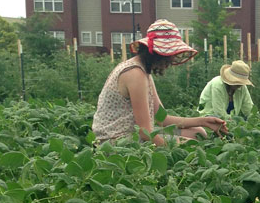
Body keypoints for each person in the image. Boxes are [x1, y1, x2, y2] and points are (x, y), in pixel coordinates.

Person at [92, 19, 227, 146]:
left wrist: (204, 121)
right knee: (190, 144)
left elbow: (162, 119)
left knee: (198, 133)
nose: (171, 61)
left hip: (133, 134)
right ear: (155, 53)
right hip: (116, 141)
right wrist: (177, 147)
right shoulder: (135, 74)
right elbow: (145, 132)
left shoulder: (144, 72)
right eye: (169, 56)